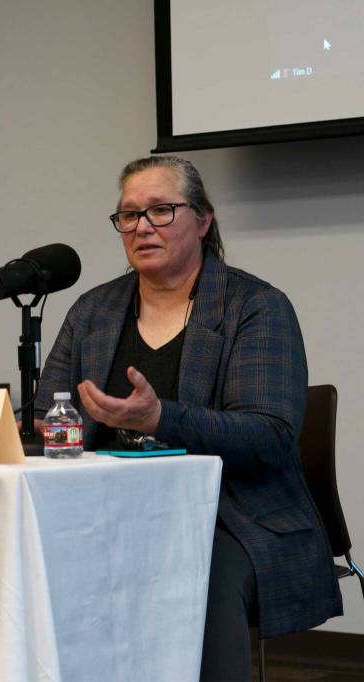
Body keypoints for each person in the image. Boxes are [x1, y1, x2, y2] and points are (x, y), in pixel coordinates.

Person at [34, 156, 342, 681]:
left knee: (191, 580)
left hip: (233, 514)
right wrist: (56, 432)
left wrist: (161, 418)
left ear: (204, 221)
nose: (142, 227)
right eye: (129, 215)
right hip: (107, 512)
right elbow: (48, 416)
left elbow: (269, 438)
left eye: (161, 210)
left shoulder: (256, 307)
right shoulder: (93, 311)